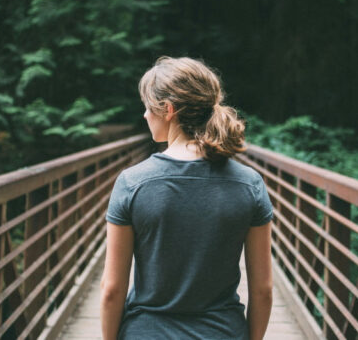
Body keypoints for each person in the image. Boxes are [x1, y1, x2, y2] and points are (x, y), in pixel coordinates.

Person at [100, 56, 274, 340]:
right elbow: (263, 290)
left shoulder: (132, 183)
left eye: (147, 107)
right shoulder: (249, 184)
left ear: (168, 110)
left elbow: (112, 290)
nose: (145, 115)